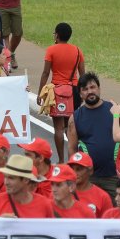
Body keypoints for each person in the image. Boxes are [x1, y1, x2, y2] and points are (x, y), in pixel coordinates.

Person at [67, 74, 120, 196]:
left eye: (92, 87)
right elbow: (72, 149)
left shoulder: (116, 110)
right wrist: (74, 175)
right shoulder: (74, 118)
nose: (90, 91)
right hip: (88, 178)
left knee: (118, 208)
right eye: (85, 89)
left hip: (115, 177)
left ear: (99, 89)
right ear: (80, 94)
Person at [39, 22, 86, 161]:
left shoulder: (51, 50)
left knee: (59, 128)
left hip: (57, 92)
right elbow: (83, 74)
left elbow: (45, 73)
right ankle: (76, 158)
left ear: (57, 35)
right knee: (71, 127)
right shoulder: (77, 50)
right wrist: (82, 93)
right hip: (74, 91)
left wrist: (41, 91)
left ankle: (61, 160)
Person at [0, 154, 55, 218]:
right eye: (5, 177)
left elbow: (52, 229)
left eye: (11, 178)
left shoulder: (44, 204)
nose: (6, 182)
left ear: (25, 180)